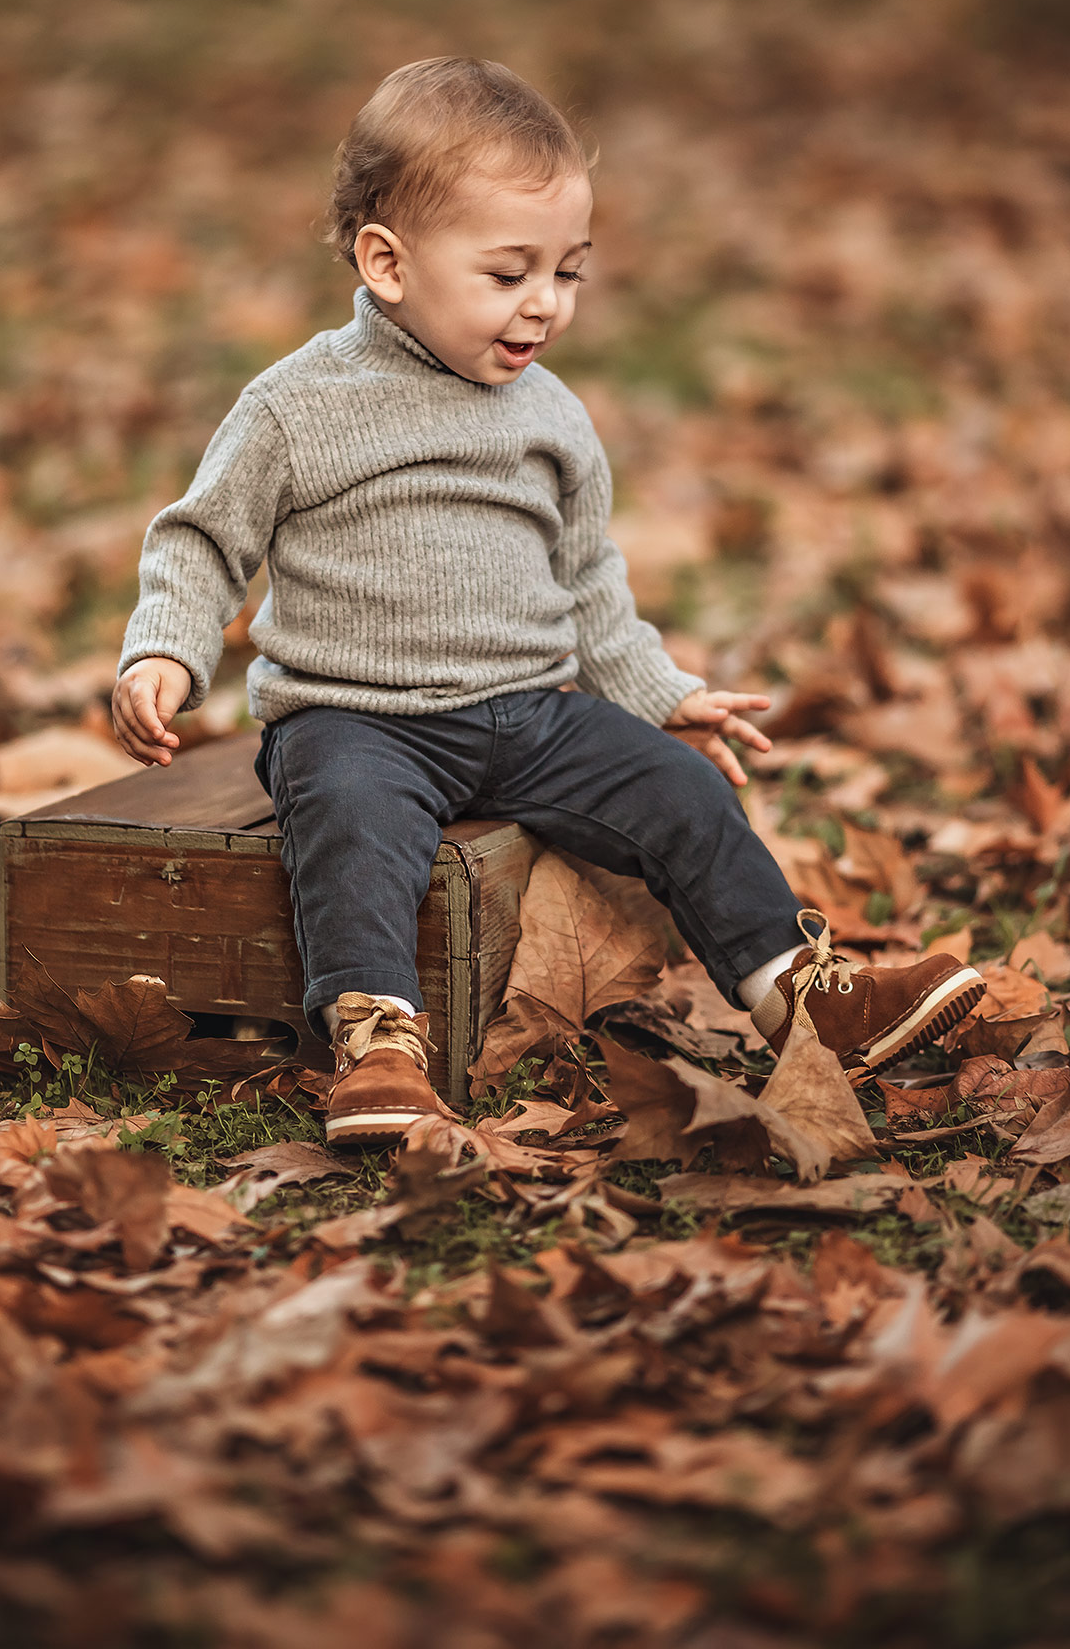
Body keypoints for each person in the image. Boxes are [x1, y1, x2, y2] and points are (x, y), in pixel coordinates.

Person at [112, 57, 983, 1145]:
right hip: (356, 717)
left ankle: (801, 995)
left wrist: (658, 695)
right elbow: (202, 541)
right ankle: (377, 1041)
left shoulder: (549, 414)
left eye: (568, 272)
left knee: (678, 792)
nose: (545, 305)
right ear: (386, 262)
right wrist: (166, 652)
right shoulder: (296, 407)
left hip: (528, 712)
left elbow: (585, 579)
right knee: (349, 826)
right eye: (508, 272)